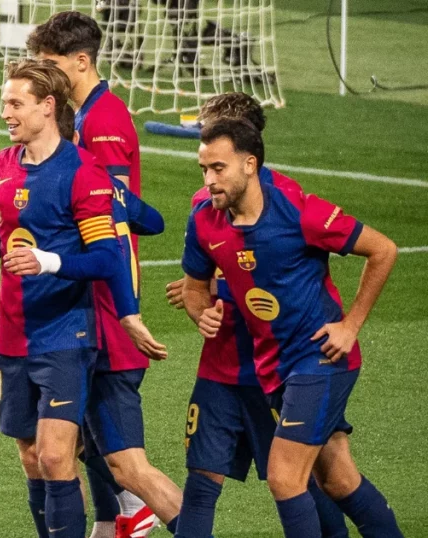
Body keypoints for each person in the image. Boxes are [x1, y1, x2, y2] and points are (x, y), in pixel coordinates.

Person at [182, 118, 403, 538]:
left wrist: (350, 324)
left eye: (218, 169)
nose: (209, 181)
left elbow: (383, 250)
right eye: (204, 169)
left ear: (250, 164)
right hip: (274, 367)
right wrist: (200, 311)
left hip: (321, 358)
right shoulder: (205, 221)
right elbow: (194, 287)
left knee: (285, 476)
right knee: (338, 480)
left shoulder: (299, 211)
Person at [0, 58, 161, 538]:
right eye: (4, 104)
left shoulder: (84, 173)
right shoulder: (2, 166)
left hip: (65, 333)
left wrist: (49, 262)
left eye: (16, 104)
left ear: (47, 107)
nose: (6, 113)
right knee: (32, 457)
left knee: (58, 454)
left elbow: (108, 258)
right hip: (13, 331)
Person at [165, 93, 348, 538]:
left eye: (217, 155)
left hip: (280, 369)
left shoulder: (287, 202)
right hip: (221, 366)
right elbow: (200, 282)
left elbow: (289, 277)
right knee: (202, 479)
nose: (208, 168)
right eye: (204, 160)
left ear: (247, 152)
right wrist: (198, 302)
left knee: (314, 482)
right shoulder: (205, 206)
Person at [29, 12, 175, 537]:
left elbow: (112, 211)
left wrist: (125, 307)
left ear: (81, 62)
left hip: (108, 304)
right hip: (89, 301)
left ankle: (154, 516)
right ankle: (113, 519)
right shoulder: (87, 115)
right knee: (83, 435)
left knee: (125, 461)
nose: (41, 75)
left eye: (50, 65)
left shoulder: (104, 121)